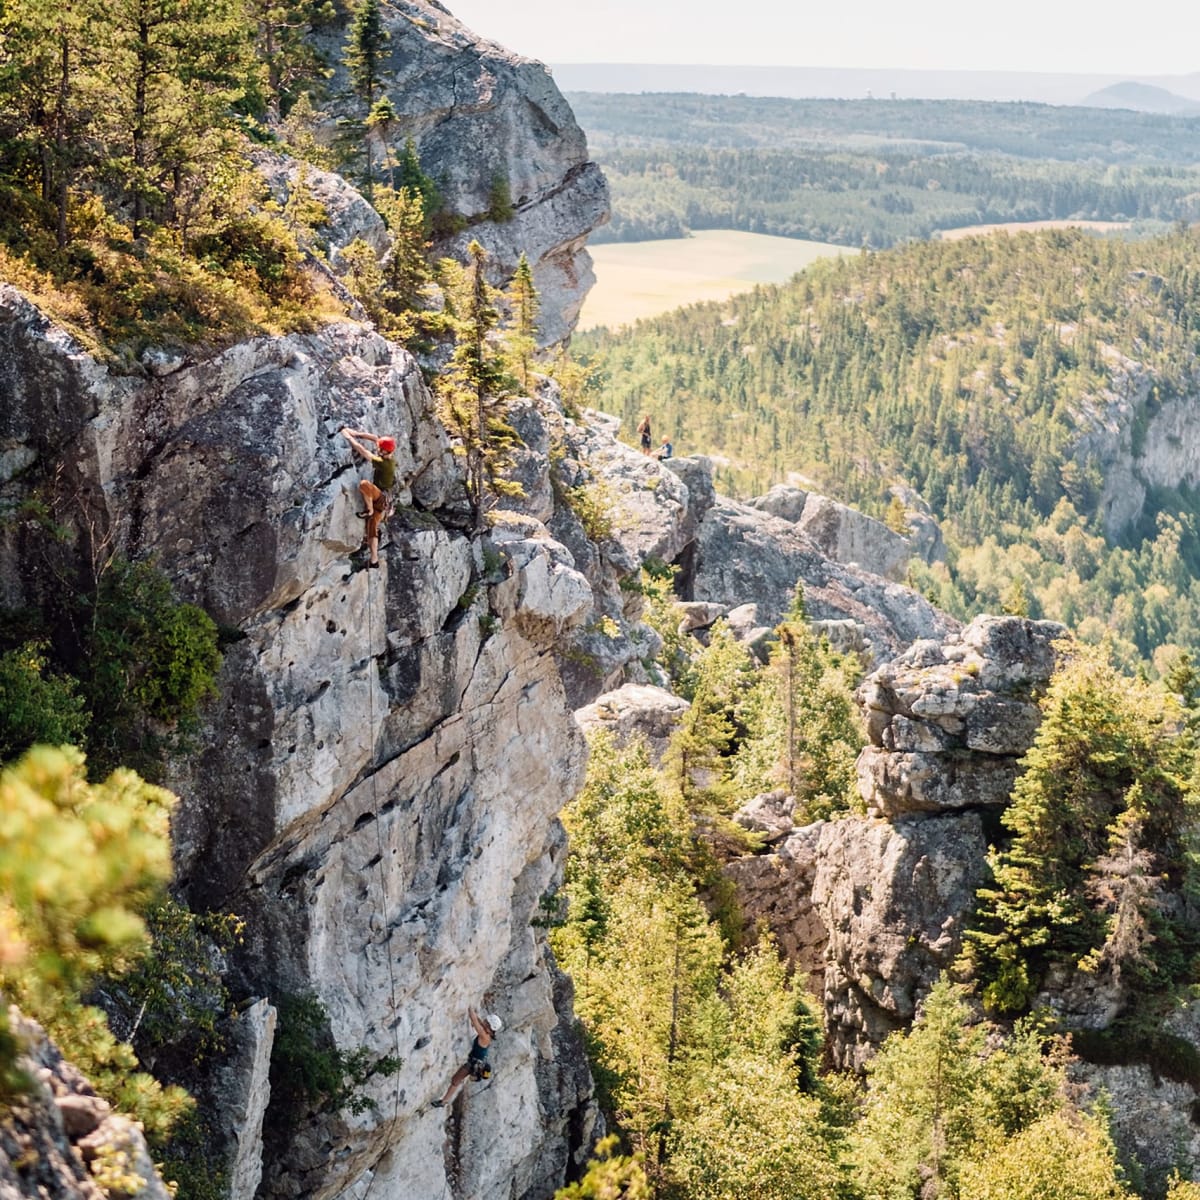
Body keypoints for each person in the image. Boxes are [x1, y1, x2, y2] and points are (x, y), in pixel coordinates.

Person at [341, 427, 397, 568]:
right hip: (385, 503)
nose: (378, 450)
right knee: (372, 528)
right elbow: (375, 437)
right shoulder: (388, 456)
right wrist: (356, 433)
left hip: (381, 499)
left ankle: (370, 510)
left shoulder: (384, 464)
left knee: (364, 485)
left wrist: (348, 437)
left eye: (380, 449)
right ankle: (374, 560)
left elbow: (363, 451)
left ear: (385, 451)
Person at [432, 1008, 503, 1107]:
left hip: (472, 1065)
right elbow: (479, 1022)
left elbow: (474, 1020)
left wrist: (470, 1008)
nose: (484, 1021)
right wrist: (478, 1019)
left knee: (455, 1080)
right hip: (475, 1063)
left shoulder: (484, 1036)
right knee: (456, 1080)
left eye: (486, 1021)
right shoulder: (487, 1035)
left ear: (489, 1026)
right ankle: (444, 1101)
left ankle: (444, 1101)